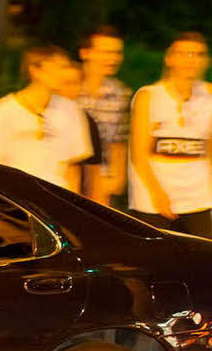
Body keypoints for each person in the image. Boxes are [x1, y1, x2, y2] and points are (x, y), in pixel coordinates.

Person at [128, 32, 212, 237]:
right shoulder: (149, 95)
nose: (190, 60)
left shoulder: (208, 95)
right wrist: (157, 195)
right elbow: (139, 154)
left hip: (198, 198)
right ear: (170, 58)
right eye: (183, 54)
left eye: (197, 55)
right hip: (152, 200)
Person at [0, 46, 93, 191]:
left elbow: (73, 167)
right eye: (59, 67)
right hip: (15, 200)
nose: (64, 75)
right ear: (36, 71)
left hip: (56, 199)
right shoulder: (4, 109)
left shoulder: (71, 110)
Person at [77, 26, 132, 205]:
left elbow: (119, 140)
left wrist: (117, 179)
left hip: (102, 180)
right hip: (65, 176)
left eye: (117, 53)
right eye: (106, 52)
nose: (113, 59)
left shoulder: (120, 93)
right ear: (85, 53)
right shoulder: (66, 87)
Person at [57, 61, 105, 202]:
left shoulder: (85, 120)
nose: (68, 89)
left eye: (75, 83)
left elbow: (93, 169)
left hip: (72, 198)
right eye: (65, 83)